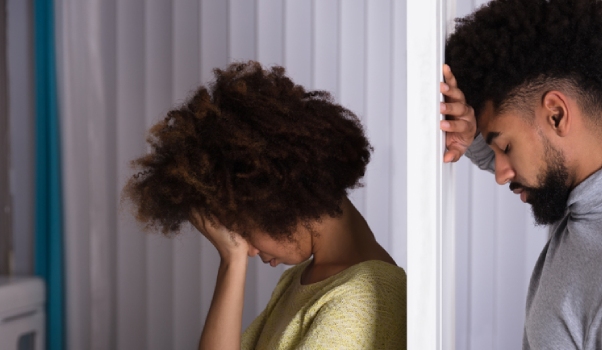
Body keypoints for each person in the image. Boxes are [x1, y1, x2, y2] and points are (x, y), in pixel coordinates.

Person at [438, 0, 602, 348]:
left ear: (556, 115)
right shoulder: (584, 203)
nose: (501, 173)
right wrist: (472, 131)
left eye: (505, 147)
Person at [123, 61, 406, 350]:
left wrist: (233, 261)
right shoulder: (301, 280)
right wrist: (231, 260)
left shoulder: (364, 295)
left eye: (241, 230)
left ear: (275, 201)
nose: (248, 248)